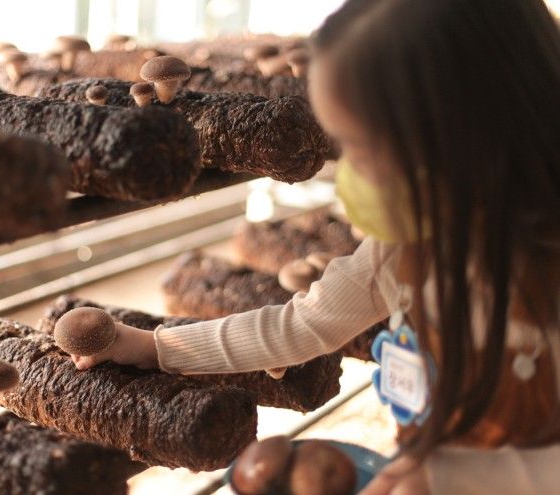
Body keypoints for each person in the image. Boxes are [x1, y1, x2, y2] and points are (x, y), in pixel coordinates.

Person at [71, 0, 560, 493]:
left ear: (472, 137)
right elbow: (302, 324)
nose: (347, 177)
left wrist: (453, 479)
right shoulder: (401, 250)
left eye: (363, 150)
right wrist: (156, 347)